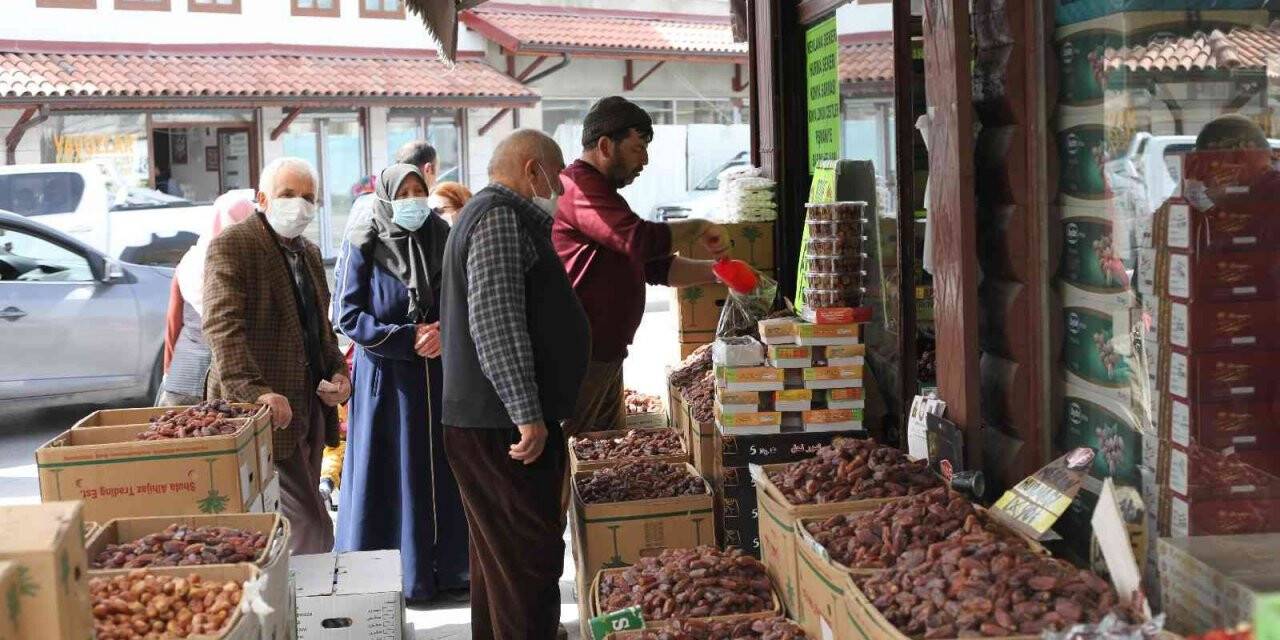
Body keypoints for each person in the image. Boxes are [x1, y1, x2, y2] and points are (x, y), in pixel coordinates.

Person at [440, 129, 589, 640]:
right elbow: (496, 319)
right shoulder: (499, 217)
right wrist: (526, 412)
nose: (561, 186)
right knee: (528, 560)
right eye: (557, 172)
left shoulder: (495, 216)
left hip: (488, 420)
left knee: (502, 564)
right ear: (532, 170)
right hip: (500, 424)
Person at [553, 95, 727, 494]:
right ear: (604, 145)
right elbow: (635, 239)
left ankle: (593, 542)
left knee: (600, 466)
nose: (644, 161)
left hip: (605, 355)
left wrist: (719, 275)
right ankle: (564, 540)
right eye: (638, 147)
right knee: (574, 463)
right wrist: (697, 226)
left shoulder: (604, 196)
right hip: (582, 357)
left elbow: (654, 267)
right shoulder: (579, 186)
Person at [332, 164, 469, 603]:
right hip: (388, 380)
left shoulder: (442, 237)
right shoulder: (364, 241)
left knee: (439, 470)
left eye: (419, 191)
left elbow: (463, 298)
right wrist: (406, 338)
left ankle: (450, 568)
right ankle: (400, 575)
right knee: (394, 470)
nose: (412, 199)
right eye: (403, 192)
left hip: (438, 374)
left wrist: (445, 334)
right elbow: (347, 315)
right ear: (386, 196)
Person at [203, 156, 350, 555]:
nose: (298, 205)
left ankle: (292, 606)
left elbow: (321, 330)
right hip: (258, 415)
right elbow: (222, 328)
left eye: (308, 197)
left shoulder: (309, 253)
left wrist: (339, 374)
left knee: (286, 529)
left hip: (307, 413)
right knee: (312, 528)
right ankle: (306, 609)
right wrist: (256, 392)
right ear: (263, 198)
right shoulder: (233, 245)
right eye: (288, 195)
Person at [158, 189, 255, 406]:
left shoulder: (190, 262)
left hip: (185, 376)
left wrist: (168, 371)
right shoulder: (252, 264)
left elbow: (173, 325)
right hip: (233, 384)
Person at [343, 141, 440, 239]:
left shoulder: (363, 203)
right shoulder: (419, 211)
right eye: (404, 194)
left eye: (418, 191)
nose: (411, 197)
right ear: (429, 169)